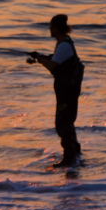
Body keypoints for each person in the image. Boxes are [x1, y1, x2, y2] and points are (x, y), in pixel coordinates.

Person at [27, 14, 84, 168]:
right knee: (67, 121)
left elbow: (52, 66)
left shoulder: (64, 45)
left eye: (51, 26)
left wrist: (39, 59)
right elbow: (55, 61)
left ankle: (69, 159)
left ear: (57, 28)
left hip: (67, 91)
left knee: (63, 123)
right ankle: (75, 155)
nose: (49, 29)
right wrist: (39, 57)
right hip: (66, 91)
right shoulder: (62, 44)